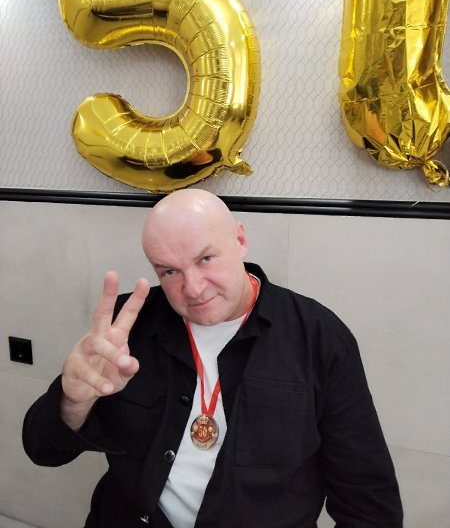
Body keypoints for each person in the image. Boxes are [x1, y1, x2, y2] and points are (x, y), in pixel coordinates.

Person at [22, 189, 403, 528]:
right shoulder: (127, 327)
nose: (193, 288)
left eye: (205, 258)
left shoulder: (318, 337)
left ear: (240, 240)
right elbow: (43, 451)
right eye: (169, 271)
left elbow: (368, 503)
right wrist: (73, 402)